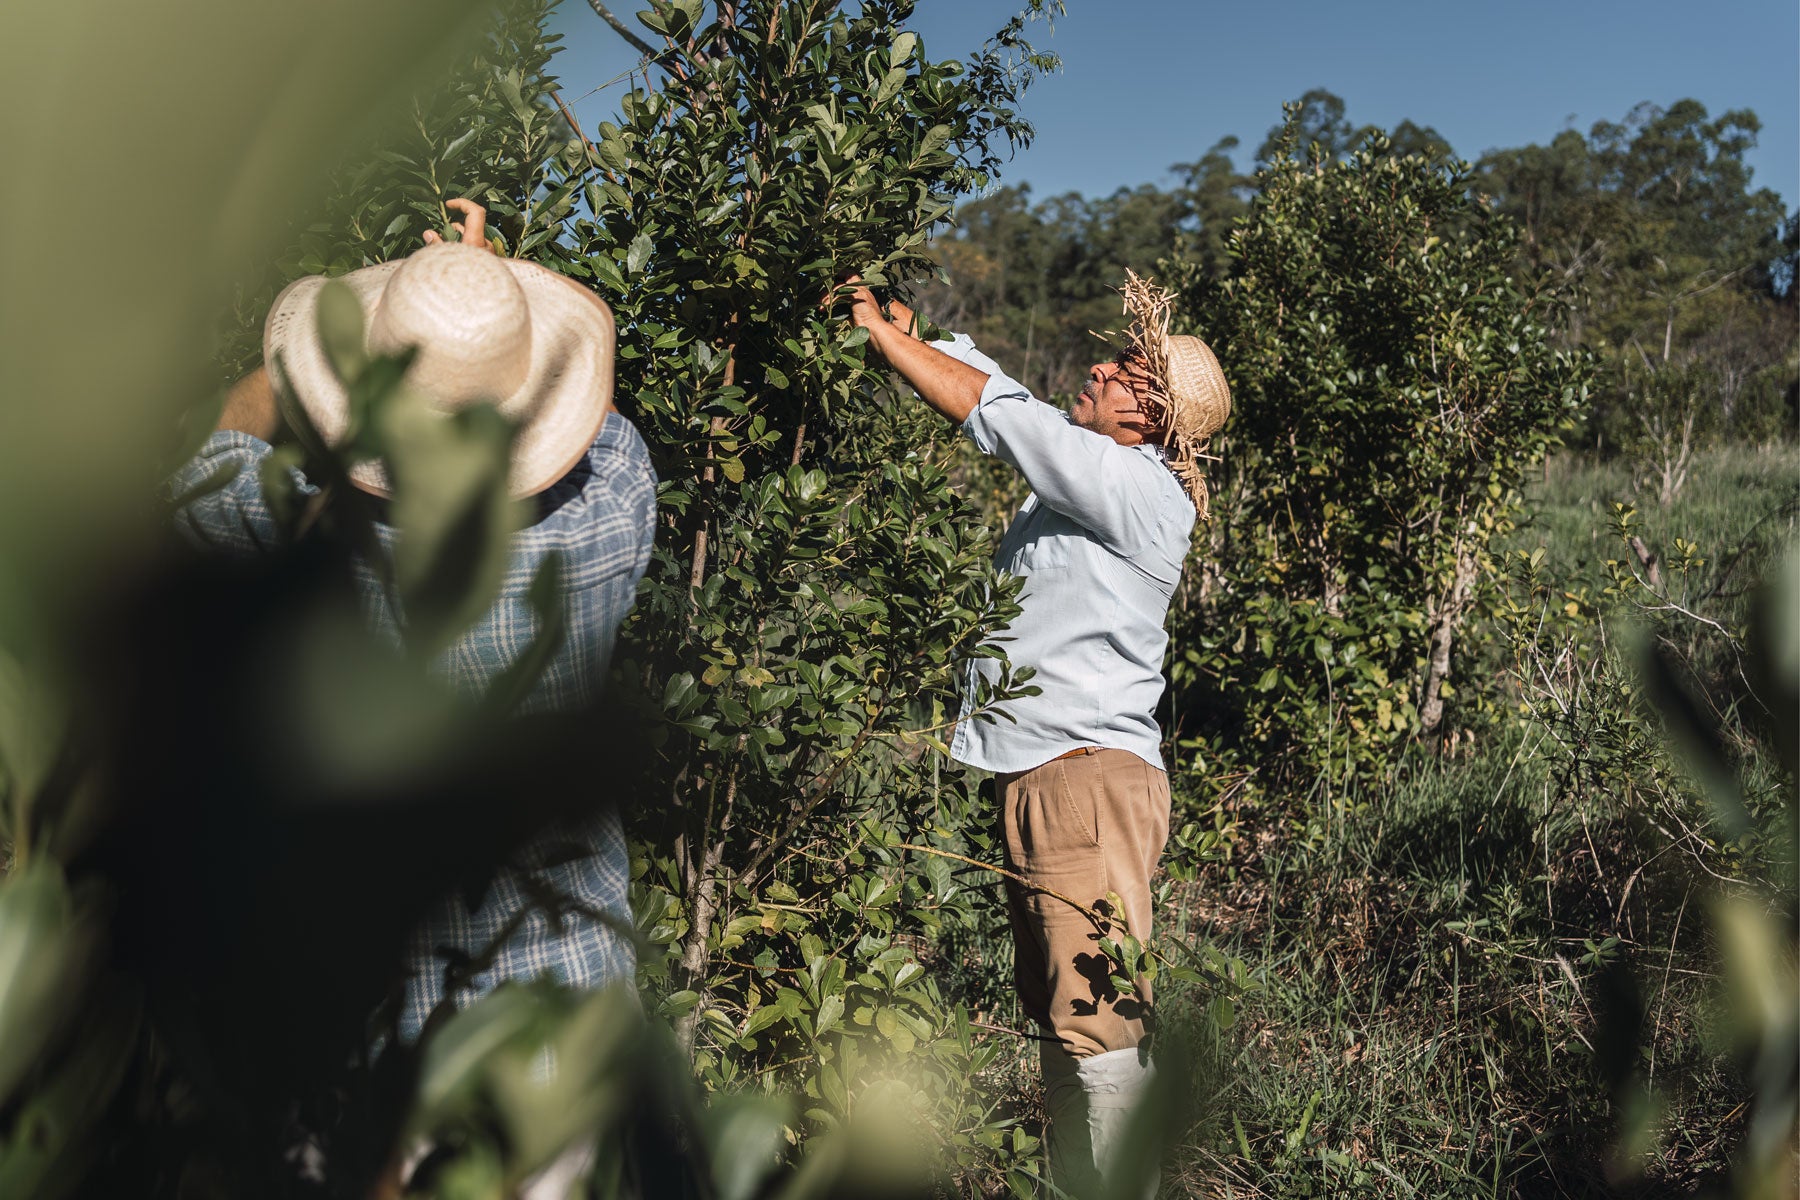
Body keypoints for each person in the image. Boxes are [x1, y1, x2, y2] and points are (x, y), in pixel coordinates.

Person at [170, 199, 656, 1049]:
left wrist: (308, 366)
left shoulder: (295, 546)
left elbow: (215, 455)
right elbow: (595, 419)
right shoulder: (613, 509)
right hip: (576, 1032)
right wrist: (491, 297)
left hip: (380, 1054)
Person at [842, 271, 1230, 1193]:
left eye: (1128, 369)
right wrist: (919, 328)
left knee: (1097, 1017)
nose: (1100, 366)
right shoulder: (1091, 481)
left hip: (1087, 781)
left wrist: (886, 341)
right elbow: (1008, 398)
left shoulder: (1134, 487)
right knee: (1064, 1011)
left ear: (1153, 419)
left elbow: (999, 415)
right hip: (1052, 779)